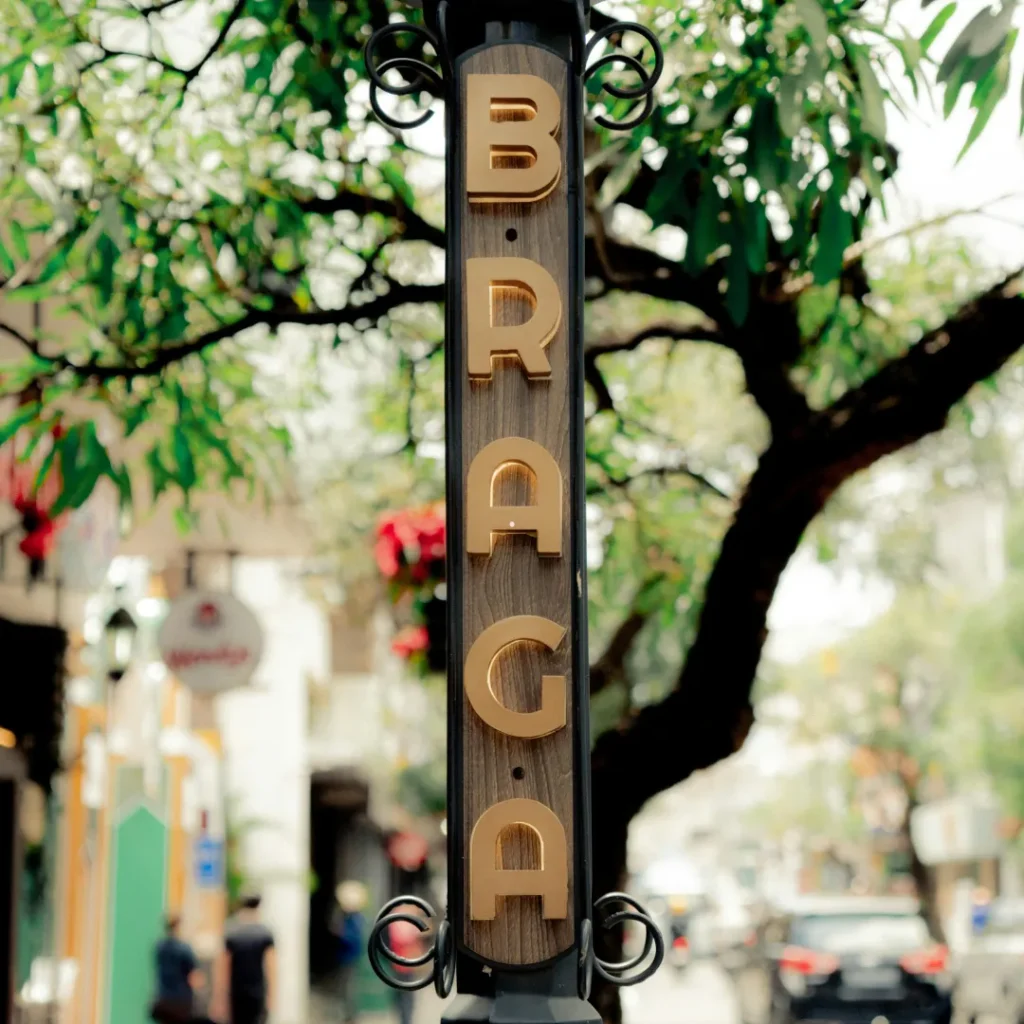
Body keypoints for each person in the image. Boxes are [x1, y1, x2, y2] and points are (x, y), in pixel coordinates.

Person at [212, 893, 276, 1024]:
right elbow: (271, 968)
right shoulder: (265, 934)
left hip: (236, 992)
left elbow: (223, 968)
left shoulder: (231, 932)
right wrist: (272, 995)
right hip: (257, 991)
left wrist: (219, 997)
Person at [151, 913, 202, 1024]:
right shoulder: (184, 948)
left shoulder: (160, 947)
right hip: (181, 1000)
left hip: (163, 997)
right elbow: (193, 976)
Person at [332, 881, 368, 1023]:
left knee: (349, 988)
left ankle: (350, 1016)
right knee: (346, 987)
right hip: (345, 956)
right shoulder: (347, 917)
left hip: (350, 957)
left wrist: (341, 934)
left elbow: (355, 938)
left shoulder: (356, 918)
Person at [388, 904, 428, 1024]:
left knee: (404, 997)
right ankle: (406, 1021)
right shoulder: (402, 925)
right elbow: (408, 937)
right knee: (406, 997)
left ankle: (405, 1020)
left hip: (401, 964)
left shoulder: (395, 923)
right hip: (404, 965)